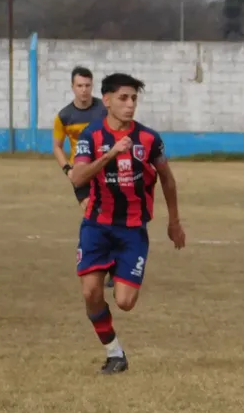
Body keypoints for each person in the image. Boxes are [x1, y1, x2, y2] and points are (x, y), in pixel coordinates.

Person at [70, 73, 187, 373]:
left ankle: (115, 269)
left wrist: (174, 222)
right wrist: (110, 154)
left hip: (133, 229)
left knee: (125, 301)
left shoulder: (149, 139)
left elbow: (167, 180)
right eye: (123, 98)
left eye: (134, 98)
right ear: (106, 100)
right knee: (90, 294)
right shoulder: (91, 137)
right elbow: (78, 177)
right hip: (97, 225)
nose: (130, 104)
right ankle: (115, 354)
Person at [53, 66, 107, 211]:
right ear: (73, 87)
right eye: (80, 86)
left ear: (92, 86)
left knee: (108, 211)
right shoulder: (64, 116)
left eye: (87, 85)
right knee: (91, 209)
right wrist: (68, 170)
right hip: (80, 169)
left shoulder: (105, 110)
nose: (84, 89)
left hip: (104, 167)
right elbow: (57, 146)